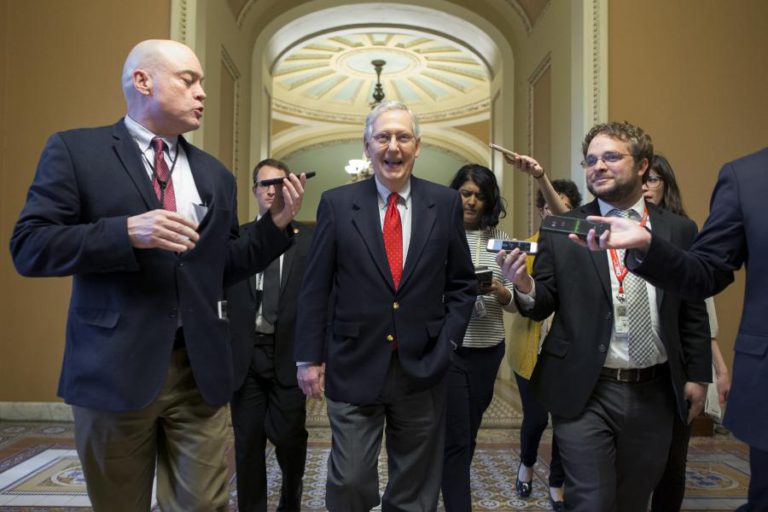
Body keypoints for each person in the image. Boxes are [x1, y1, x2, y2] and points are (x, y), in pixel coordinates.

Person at [9, 39, 306, 512]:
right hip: (114, 368)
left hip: (199, 369)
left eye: (203, 82)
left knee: (204, 504)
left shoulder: (215, 175)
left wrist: (273, 228)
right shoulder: (76, 151)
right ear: (143, 82)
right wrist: (124, 232)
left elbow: (223, 264)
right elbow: (29, 247)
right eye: (189, 80)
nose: (202, 92)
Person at [496, 121, 711, 511]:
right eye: (591, 160)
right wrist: (525, 285)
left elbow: (691, 307)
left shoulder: (678, 230)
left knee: (632, 498)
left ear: (643, 165)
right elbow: (544, 301)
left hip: (656, 390)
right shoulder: (563, 228)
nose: (598, 166)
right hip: (586, 389)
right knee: (592, 500)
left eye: (611, 156)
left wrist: (698, 374)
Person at [294, 100, 476, 512]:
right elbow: (316, 287)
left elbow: (462, 285)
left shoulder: (444, 203)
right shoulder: (337, 204)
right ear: (367, 146)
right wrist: (308, 357)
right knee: (352, 479)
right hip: (353, 361)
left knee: (415, 488)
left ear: (418, 146)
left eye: (403, 137)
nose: (393, 147)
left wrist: (446, 344)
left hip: (423, 366)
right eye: (383, 137)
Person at [581, 147, 767, 511]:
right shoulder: (748, 177)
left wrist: (698, 373)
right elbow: (704, 276)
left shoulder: (681, 224)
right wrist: (650, 247)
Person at [641, 154, 731, 512]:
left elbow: (699, 309)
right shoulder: (615, 228)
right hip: (631, 366)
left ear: (666, 185)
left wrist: (714, 371)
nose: (646, 186)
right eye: (642, 178)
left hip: (674, 364)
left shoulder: (683, 231)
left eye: (654, 180)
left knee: (672, 463)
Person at [226, 158, 312, 512]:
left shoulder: (308, 239)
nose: (272, 190)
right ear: (255, 191)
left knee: (290, 441)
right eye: (265, 184)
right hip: (245, 357)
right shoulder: (238, 238)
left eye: (279, 183)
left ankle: (289, 500)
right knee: (247, 444)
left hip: (289, 356)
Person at [440, 164, 517, 511]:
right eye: (465, 193)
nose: (471, 202)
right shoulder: (439, 233)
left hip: (488, 349)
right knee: (456, 435)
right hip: (451, 347)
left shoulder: (501, 241)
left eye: (479, 196)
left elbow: (518, 301)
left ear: (489, 202)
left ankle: (449, 483)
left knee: (468, 432)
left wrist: (499, 290)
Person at [505, 172, 582, 510]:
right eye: (551, 210)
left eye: (565, 210)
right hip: (530, 348)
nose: (557, 216)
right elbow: (521, 301)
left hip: (570, 350)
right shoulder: (528, 248)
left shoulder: (584, 248)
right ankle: (526, 468)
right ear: (541, 212)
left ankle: (557, 482)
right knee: (535, 419)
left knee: (564, 421)